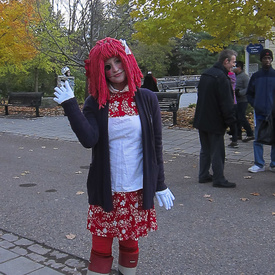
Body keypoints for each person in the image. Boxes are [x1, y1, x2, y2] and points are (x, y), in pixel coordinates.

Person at [53, 37, 175, 275]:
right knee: (101, 244)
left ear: (127, 60)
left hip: (136, 187)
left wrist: (160, 184)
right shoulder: (96, 102)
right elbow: (89, 140)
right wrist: (70, 105)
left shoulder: (146, 98)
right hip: (106, 188)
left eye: (118, 61)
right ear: (101, 71)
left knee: (130, 241)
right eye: (107, 66)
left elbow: (156, 145)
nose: (114, 69)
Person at [193, 49, 237, 188]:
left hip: (202, 118)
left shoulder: (206, 74)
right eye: (233, 62)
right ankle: (219, 178)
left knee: (205, 149)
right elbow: (226, 104)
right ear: (226, 61)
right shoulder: (222, 78)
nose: (233, 65)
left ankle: (203, 174)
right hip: (215, 120)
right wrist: (232, 124)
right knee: (217, 151)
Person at [247, 49, 275, 173]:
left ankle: (273, 164)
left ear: (272, 60)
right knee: (258, 139)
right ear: (261, 60)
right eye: (265, 58)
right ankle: (259, 164)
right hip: (259, 113)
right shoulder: (256, 76)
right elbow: (249, 93)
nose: (267, 60)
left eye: (269, 58)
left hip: (273, 114)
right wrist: (255, 105)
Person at [233, 61, 254, 142]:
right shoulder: (234, 76)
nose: (233, 68)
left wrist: (240, 93)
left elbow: (248, 88)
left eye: (235, 67)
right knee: (237, 117)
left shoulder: (244, 77)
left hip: (243, 100)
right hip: (236, 100)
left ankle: (250, 133)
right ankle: (238, 134)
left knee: (241, 117)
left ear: (239, 67)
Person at [227, 70, 239, 148]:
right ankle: (234, 137)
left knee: (232, 122)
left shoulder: (227, 77)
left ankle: (234, 138)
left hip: (229, 101)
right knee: (233, 121)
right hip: (234, 101)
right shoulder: (234, 78)